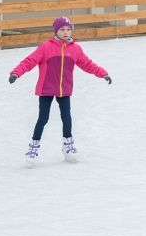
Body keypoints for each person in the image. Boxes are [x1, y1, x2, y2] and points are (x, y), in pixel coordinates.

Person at [10, 16, 111, 166]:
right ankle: (33, 147)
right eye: (62, 29)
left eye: (68, 29)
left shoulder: (75, 49)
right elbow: (30, 61)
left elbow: (87, 64)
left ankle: (68, 146)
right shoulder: (46, 47)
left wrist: (103, 73)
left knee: (67, 118)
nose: (65, 32)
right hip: (46, 89)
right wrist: (16, 73)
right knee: (43, 118)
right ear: (56, 31)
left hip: (64, 89)